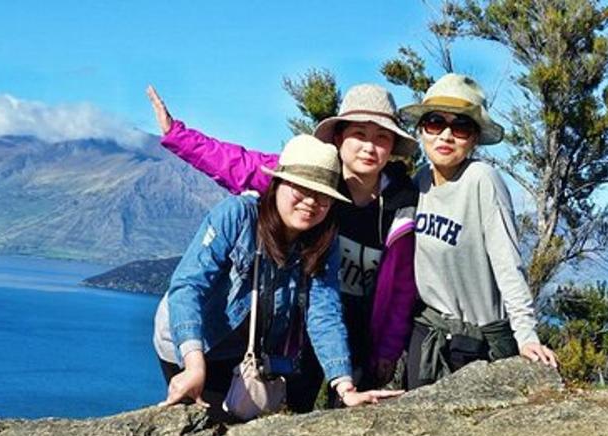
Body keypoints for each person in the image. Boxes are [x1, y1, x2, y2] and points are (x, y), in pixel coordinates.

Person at [147, 83, 420, 402]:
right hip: (200, 337)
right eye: (359, 134)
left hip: (310, 336)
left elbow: (329, 305)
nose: (369, 147)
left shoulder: (397, 205)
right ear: (339, 137)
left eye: (381, 137)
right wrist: (178, 135)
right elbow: (235, 163)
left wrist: (348, 382)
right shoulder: (252, 206)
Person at [397, 74, 558, 388]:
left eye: (460, 127)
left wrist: (525, 336)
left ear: (473, 139)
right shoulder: (418, 183)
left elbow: (507, 262)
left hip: (477, 343)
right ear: (421, 131)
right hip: (428, 336)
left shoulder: (482, 179)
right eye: (434, 123)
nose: (446, 135)